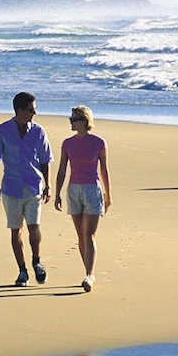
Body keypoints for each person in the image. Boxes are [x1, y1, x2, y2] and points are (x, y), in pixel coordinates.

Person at [0, 92, 54, 287]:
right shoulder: (1, 131)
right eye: (31, 110)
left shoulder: (38, 131)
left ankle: (37, 261)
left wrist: (48, 185)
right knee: (16, 230)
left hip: (34, 186)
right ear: (20, 110)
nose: (34, 113)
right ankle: (22, 270)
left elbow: (45, 160)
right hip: (11, 188)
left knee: (34, 227)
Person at [54, 105, 111, 292]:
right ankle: (88, 271)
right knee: (80, 235)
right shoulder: (67, 143)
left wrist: (108, 195)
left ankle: (89, 275)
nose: (71, 122)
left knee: (89, 234)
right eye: (70, 119)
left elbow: (104, 170)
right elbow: (62, 170)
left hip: (92, 190)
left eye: (74, 119)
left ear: (84, 121)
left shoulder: (99, 142)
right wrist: (57, 194)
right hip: (74, 190)